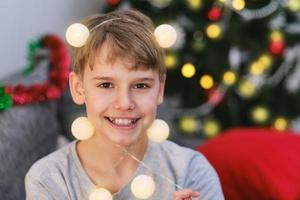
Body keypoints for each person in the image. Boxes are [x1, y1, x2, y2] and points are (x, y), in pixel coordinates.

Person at [25, 9, 224, 200]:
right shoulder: (49, 179)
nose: (124, 103)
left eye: (140, 85)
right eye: (106, 85)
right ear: (78, 89)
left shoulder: (191, 172)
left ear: (160, 89)